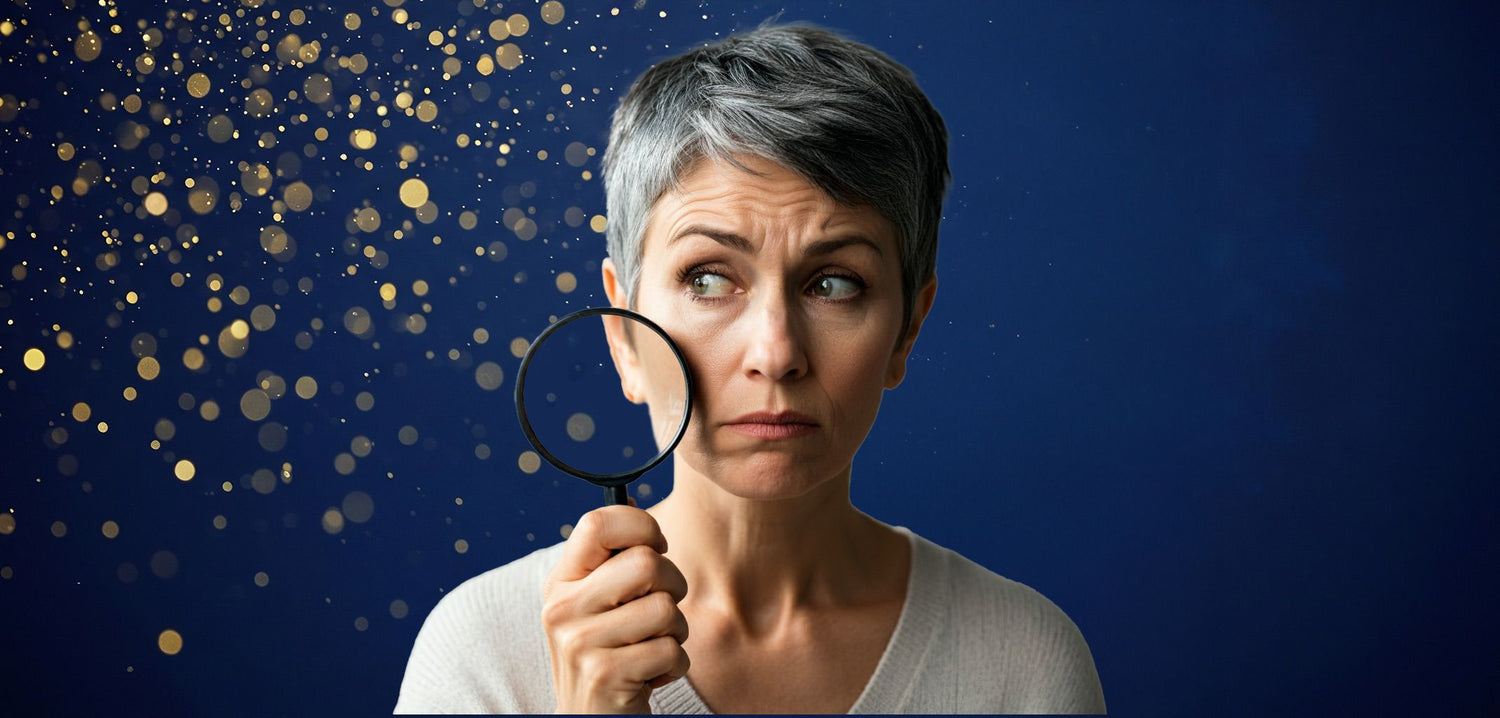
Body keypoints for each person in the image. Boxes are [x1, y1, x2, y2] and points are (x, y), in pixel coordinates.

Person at [395, 24, 1105, 714]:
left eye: (834, 283)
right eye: (708, 279)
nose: (775, 354)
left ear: (906, 331)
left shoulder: (1025, 662)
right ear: (622, 336)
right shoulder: (482, 654)